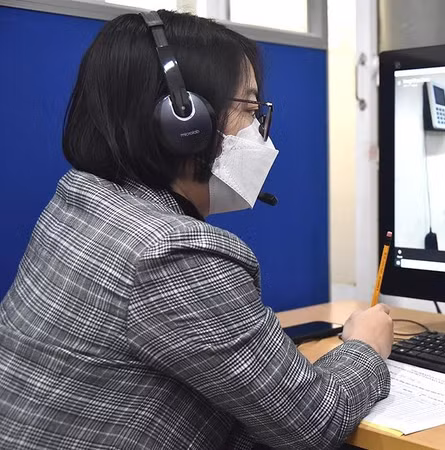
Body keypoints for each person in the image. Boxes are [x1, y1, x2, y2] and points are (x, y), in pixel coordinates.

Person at [0, 11, 392, 450]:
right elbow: (315, 420)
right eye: (249, 109)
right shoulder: (170, 252)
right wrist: (366, 348)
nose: (260, 133)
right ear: (184, 124)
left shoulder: (82, 201)